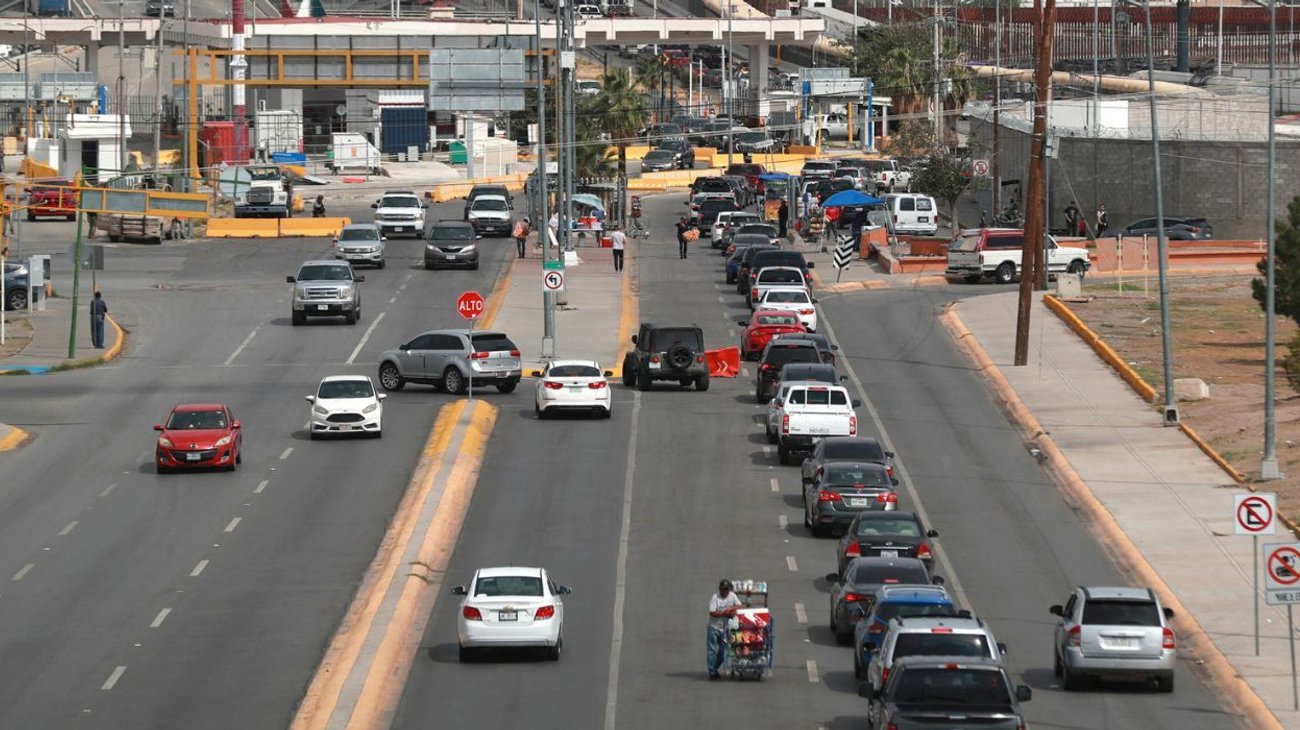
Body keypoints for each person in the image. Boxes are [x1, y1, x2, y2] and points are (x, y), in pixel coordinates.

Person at [707, 579, 743, 680]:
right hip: (714, 628)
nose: (725, 591)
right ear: (720, 589)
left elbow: (740, 606)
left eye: (727, 590)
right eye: (723, 589)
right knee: (712, 650)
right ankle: (711, 672)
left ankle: (714, 668)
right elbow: (712, 612)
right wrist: (725, 613)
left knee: (723, 651)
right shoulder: (715, 597)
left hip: (725, 629)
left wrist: (731, 609)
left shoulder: (732, 596)